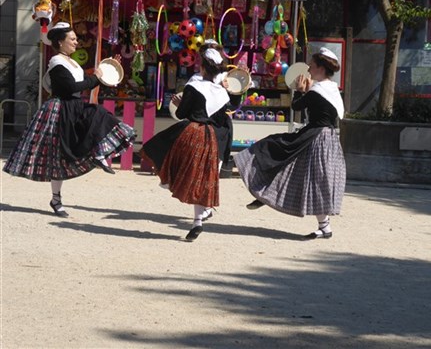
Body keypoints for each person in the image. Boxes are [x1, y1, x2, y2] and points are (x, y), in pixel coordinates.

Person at [3, 22, 136, 218]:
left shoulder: (71, 62)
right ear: (60, 42)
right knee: (58, 155)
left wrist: (105, 73)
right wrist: (96, 78)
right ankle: (56, 199)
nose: (76, 41)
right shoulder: (57, 63)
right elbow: (70, 88)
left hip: (73, 107)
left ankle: (98, 153)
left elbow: (85, 83)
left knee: (100, 116)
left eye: (75, 38)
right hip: (60, 110)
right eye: (72, 39)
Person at [233, 47, 346, 239]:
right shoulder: (333, 89)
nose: (308, 67)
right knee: (310, 176)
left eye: (311, 64)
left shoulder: (317, 90)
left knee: (274, 149)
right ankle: (324, 226)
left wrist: (301, 91)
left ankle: (263, 190)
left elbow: (296, 107)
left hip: (315, 138)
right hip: (330, 140)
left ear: (320, 68)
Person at [140, 48, 232, 241]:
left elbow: (181, 114)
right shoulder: (222, 93)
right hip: (210, 137)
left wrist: (177, 101)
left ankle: (167, 181)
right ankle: (197, 222)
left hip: (191, 132)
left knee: (160, 151)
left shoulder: (193, 87)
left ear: (203, 67)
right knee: (200, 178)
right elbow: (220, 119)